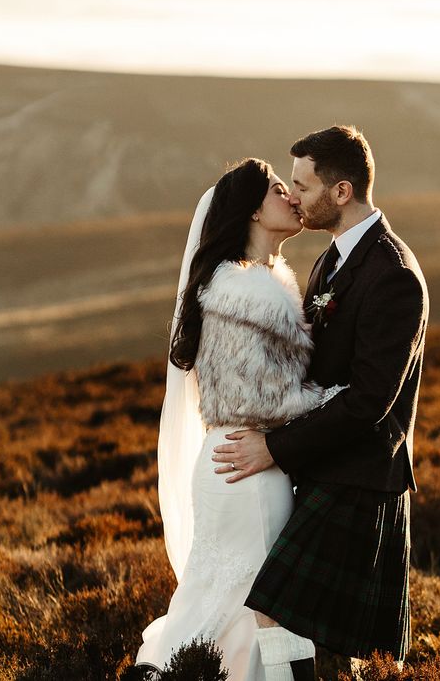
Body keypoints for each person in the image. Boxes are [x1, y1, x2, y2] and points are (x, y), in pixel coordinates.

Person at [211, 126, 429, 674]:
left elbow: (370, 402)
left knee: (286, 613)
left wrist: (275, 448)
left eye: (304, 187)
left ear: (341, 191)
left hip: (361, 477)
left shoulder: (393, 275)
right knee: (307, 630)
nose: (295, 198)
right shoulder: (331, 260)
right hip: (326, 467)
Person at [135, 158, 343, 681]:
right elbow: (259, 400)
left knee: (233, 601)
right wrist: (336, 398)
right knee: (257, 602)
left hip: (238, 461)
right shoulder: (240, 296)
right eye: (279, 189)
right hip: (247, 466)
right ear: (253, 208)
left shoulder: (257, 284)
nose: (293, 198)